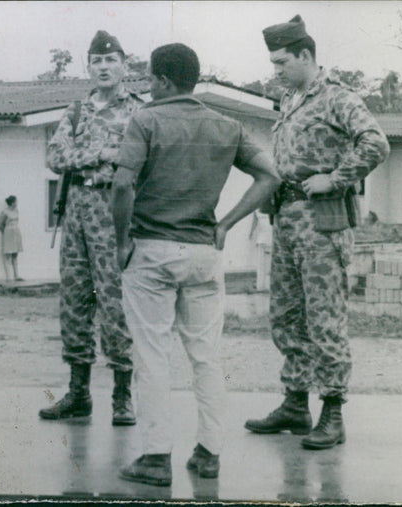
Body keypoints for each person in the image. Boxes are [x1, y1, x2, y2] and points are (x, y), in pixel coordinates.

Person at [112, 43, 280, 486]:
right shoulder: (226, 124)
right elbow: (270, 176)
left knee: (151, 356)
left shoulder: (145, 119)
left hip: (151, 249)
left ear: (164, 80)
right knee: (205, 357)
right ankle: (209, 453)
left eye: (151, 78)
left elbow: (122, 184)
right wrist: (225, 223)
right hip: (204, 252)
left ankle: (155, 457)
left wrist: (120, 241)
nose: (148, 86)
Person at [244, 15, 389, 450]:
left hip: (323, 221)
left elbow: (376, 143)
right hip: (287, 219)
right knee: (287, 315)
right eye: (272, 63)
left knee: (324, 317)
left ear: (306, 55)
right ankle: (294, 403)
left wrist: (338, 177)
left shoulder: (336, 98)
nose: (275, 71)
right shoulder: (290, 99)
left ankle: (332, 412)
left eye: (282, 61)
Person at [40, 30, 144, 426]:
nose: (103, 67)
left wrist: (85, 158)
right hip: (77, 210)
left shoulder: (137, 111)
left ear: (124, 66)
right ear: (89, 67)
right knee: (74, 299)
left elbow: (136, 160)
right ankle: (78, 392)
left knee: (115, 301)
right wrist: (101, 152)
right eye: (96, 62)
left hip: (114, 208)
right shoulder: (76, 111)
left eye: (111, 60)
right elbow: (55, 156)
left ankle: (121, 395)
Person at [0, 195, 23, 281]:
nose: (17, 203)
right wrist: (6, 232)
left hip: (16, 232)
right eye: (16, 201)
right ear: (12, 203)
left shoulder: (16, 211)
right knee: (8, 255)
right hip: (8, 233)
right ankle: (9, 277)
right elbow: (0, 224)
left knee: (15, 255)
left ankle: (17, 276)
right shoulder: (5, 212)